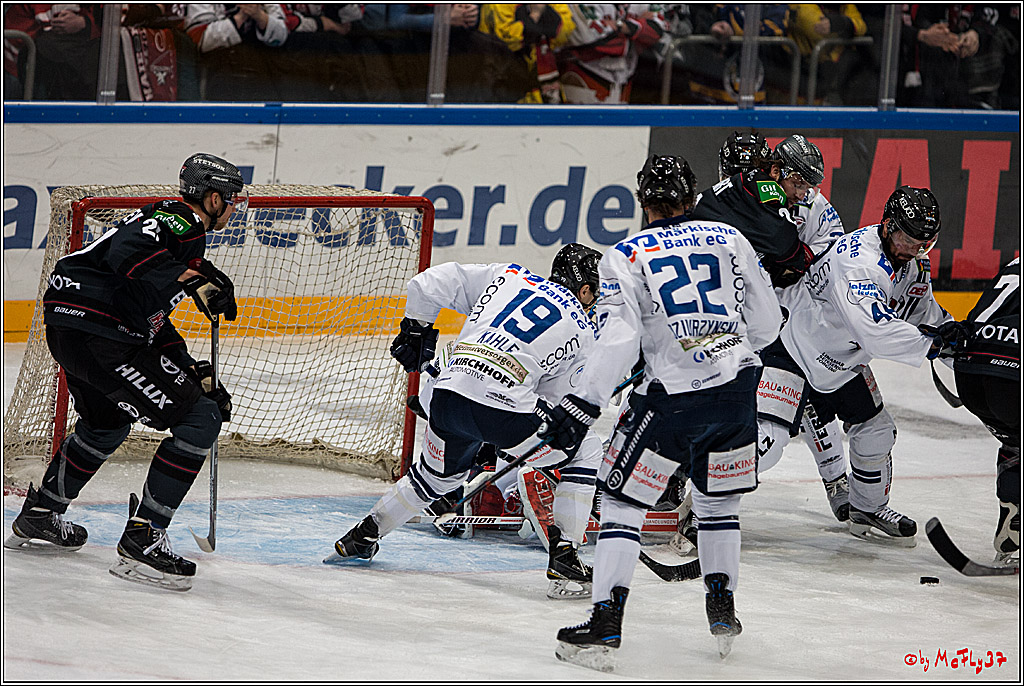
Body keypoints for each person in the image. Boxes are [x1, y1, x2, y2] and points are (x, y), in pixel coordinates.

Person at [548, 155, 782, 670]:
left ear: (643, 203)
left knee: (622, 503)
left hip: (670, 404)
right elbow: (766, 325)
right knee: (719, 505)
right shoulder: (730, 239)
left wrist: (583, 401)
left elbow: (618, 338)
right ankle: (722, 606)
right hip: (738, 393)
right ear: (690, 196)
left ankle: (606, 620)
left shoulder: (626, 254)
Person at [4, 153, 244, 592]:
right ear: (213, 199)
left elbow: (150, 315)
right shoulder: (182, 224)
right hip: (101, 332)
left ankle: (41, 513)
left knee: (106, 422)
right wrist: (194, 279)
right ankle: (142, 540)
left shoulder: (170, 226)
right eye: (232, 200)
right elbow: (127, 254)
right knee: (200, 417)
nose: (234, 209)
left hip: (72, 324)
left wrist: (190, 369)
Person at [326, 244, 606, 600]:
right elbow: (558, 407)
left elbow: (426, 284)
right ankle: (565, 556)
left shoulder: (509, 276)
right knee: (585, 448)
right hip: (504, 411)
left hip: (445, 397)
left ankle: (361, 537)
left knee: (433, 479)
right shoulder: (584, 330)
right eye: (595, 292)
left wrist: (416, 327)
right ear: (584, 290)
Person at [755, 186, 965, 547]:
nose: (914, 249)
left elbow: (924, 314)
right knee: (768, 443)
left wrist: (959, 342)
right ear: (887, 226)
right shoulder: (860, 261)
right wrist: (933, 345)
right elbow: (877, 333)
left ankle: (866, 508)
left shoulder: (910, 266)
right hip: (793, 348)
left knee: (877, 431)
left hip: (840, 364)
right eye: (907, 239)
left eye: (923, 242)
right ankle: (701, 502)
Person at [952, 258, 1020, 566]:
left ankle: (1013, 533)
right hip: (1012, 373)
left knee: (1015, 442)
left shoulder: (1015, 261)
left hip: (969, 373)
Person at [689, 132, 817, 290]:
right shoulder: (703, 210)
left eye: (749, 172)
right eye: (733, 176)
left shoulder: (805, 203)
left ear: (770, 171)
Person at [556, 4, 670, 104]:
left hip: (624, 81)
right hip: (584, 76)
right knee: (580, 126)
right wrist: (636, 30)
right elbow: (590, 39)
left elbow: (657, 30)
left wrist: (621, 26)